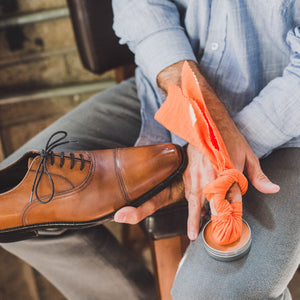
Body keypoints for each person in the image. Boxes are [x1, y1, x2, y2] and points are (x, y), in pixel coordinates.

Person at [1, 1, 299, 299]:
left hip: (284, 122)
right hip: (163, 92)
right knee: (12, 208)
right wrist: (202, 118)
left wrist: (223, 142)